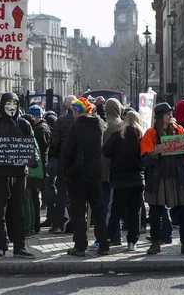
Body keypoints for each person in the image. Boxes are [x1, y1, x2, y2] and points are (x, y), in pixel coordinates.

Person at [140, 103, 184, 256]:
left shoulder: (178, 129)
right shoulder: (150, 133)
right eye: (168, 114)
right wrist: (153, 153)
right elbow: (144, 160)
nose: (171, 116)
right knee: (156, 213)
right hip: (159, 179)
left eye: (171, 113)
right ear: (160, 117)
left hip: (178, 178)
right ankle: (155, 244)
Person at [0, 92, 37, 260]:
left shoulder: (24, 125)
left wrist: (33, 159)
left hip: (19, 174)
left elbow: (32, 146)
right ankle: (0, 246)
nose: (11, 107)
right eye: (8, 103)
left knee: (19, 211)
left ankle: (19, 247)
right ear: (2, 105)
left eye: (14, 103)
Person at [63, 97, 109, 256]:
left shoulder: (76, 127)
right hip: (95, 172)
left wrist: (66, 171)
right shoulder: (99, 124)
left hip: (78, 175)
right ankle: (104, 244)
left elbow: (68, 152)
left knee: (78, 211)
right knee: (97, 209)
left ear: (77, 111)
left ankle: (80, 246)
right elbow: (104, 120)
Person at [103, 110, 145, 251]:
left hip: (119, 180)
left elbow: (106, 152)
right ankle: (132, 242)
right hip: (137, 179)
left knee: (115, 212)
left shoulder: (117, 136)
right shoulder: (142, 138)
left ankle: (107, 240)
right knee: (134, 213)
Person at [48, 95, 77, 234]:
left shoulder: (61, 120)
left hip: (63, 160)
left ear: (66, 105)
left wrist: (56, 154)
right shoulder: (81, 120)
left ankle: (59, 224)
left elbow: (54, 142)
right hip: (78, 162)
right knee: (76, 193)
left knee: (61, 192)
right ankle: (75, 223)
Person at [101, 98, 124, 243]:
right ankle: (118, 234)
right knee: (117, 205)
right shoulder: (123, 125)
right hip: (120, 170)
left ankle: (112, 235)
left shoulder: (105, 126)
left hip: (105, 171)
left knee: (107, 205)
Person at [26, 105, 51, 234]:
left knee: (35, 197)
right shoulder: (40, 128)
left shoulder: (41, 130)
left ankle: (34, 224)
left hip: (39, 167)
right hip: (40, 167)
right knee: (35, 197)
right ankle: (35, 224)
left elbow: (41, 151)